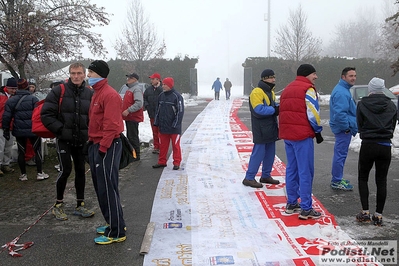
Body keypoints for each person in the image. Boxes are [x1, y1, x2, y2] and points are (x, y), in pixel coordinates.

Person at [41, 62, 94, 221]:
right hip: (64, 139)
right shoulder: (59, 91)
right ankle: (58, 205)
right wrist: (60, 130)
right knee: (65, 170)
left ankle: (80, 205)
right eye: (73, 73)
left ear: (84, 74)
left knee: (80, 171)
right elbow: (46, 115)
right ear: (69, 74)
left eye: (79, 73)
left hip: (82, 139)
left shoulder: (89, 93)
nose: (76, 76)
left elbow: (93, 116)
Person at [86, 60, 126, 245]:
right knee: (101, 187)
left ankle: (117, 232)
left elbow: (112, 125)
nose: (88, 76)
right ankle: (113, 222)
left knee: (108, 188)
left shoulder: (109, 95)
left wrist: (103, 147)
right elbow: (96, 121)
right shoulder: (97, 93)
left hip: (107, 145)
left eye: (91, 73)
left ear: (101, 74)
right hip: (96, 144)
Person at [279, 64, 324, 220]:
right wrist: (317, 130)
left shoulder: (287, 89)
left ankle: (291, 203)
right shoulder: (308, 89)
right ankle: (306, 208)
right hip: (302, 136)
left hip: (288, 136)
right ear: (306, 75)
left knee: (292, 169)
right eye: (314, 73)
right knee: (306, 171)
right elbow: (313, 113)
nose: (316, 77)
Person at [355, 78, 397, 226]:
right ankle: (378, 215)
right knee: (381, 180)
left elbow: (359, 123)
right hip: (385, 145)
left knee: (363, 177)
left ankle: (365, 212)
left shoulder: (362, 104)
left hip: (368, 144)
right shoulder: (391, 105)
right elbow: (393, 123)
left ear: (370, 89)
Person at [2, 79, 49, 181]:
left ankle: (23, 175)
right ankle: (40, 173)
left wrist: (6, 129)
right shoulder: (33, 99)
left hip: (18, 129)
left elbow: (6, 116)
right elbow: (39, 115)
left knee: (21, 152)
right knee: (37, 151)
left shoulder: (11, 100)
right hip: (33, 129)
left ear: (17, 88)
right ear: (27, 87)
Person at [242, 69, 280, 188]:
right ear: (264, 79)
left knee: (270, 153)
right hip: (261, 129)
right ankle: (249, 178)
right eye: (271, 77)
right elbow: (258, 110)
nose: (273, 80)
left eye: (274, 77)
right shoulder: (257, 92)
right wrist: (275, 110)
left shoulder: (270, 91)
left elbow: (271, 105)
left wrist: (280, 106)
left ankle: (266, 175)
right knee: (258, 153)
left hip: (270, 127)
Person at [329, 67, 358, 191]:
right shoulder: (341, 92)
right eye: (350, 76)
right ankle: (336, 180)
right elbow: (340, 114)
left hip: (343, 128)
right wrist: (346, 128)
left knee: (340, 154)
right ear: (343, 77)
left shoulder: (344, 90)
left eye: (355, 76)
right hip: (343, 130)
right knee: (340, 155)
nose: (353, 78)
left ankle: (337, 178)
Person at [152, 77, 184, 170]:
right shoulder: (161, 96)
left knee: (176, 146)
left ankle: (176, 162)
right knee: (163, 145)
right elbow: (158, 110)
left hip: (174, 128)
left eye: (165, 84)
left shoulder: (177, 96)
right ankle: (162, 161)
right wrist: (156, 122)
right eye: (163, 84)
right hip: (163, 127)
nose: (163, 86)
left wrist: (175, 124)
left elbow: (180, 112)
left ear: (170, 85)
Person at [122, 72, 143, 161]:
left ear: (135, 79)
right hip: (129, 117)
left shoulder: (136, 89)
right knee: (130, 136)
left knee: (133, 137)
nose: (128, 80)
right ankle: (133, 154)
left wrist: (128, 110)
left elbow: (139, 103)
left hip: (133, 117)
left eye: (130, 78)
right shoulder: (130, 89)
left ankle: (136, 155)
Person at [0, 78, 17, 176]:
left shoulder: (14, 97)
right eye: (12, 89)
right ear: (7, 87)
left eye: (15, 89)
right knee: (0, 146)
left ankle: (6, 163)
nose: (14, 91)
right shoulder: (1, 96)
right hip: (1, 125)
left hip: (10, 125)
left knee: (8, 146)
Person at [144, 72, 163, 154]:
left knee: (161, 132)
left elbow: (164, 96)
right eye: (151, 79)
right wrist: (147, 106)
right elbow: (144, 99)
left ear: (158, 80)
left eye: (153, 79)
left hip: (161, 114)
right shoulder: (148, 89)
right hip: (152, 113)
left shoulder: (162, 88)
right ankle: (156, 146)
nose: (151, 80)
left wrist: (159, 88)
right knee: (154, 131)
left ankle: (162, 147)